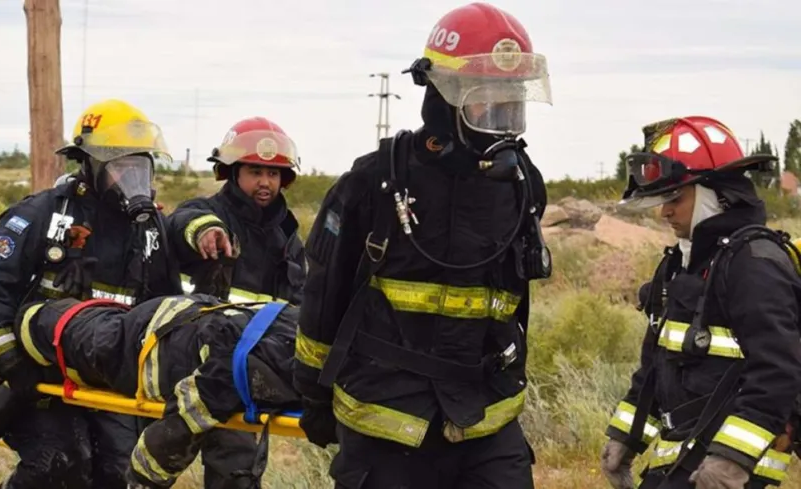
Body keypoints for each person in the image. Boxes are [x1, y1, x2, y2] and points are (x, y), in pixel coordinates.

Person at [292, 3, 553, 488]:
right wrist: (311, 392)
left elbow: (518, 304)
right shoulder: (373, 181)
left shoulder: (520, 185)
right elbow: (323, 295)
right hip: (386, 417)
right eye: (486, 100)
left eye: (510, 100)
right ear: (443, 97)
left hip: (486, 416)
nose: (501, 117)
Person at [0, 98, 186, 489]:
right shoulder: (42, 214)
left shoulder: (151, 230)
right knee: (60, 461)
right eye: (121, 168)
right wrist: (10, 363)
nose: (132, 180)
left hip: (106, 377)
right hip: (33, 374)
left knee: (121, 472)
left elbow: (166, 305)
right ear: (90, 164)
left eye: (140, 167)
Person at [600, 116, 801, 489]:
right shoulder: (682, 266)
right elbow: (658, 367)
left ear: (715, 196)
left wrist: (732, 460)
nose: (665, 212)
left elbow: (777, 372)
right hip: (683, 463)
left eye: (675, 198)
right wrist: (627, 436)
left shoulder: (755, 264)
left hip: (734, 474)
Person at [11, 292, 301, 489]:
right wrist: (142, 483)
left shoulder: (314, 334)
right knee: (53, 329)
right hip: (133, 343)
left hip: (193, 320)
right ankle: (8, 329)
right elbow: (171, 436)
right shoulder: (251, 372)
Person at [167, 116, 306, 305]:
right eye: (255, 172)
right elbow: (180, 221)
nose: (265, 182)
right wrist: (203, 230)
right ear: (233, 173)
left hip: (268, 335)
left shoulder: (289, 241)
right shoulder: (207, 213)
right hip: (200, 332)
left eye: (273, 173)